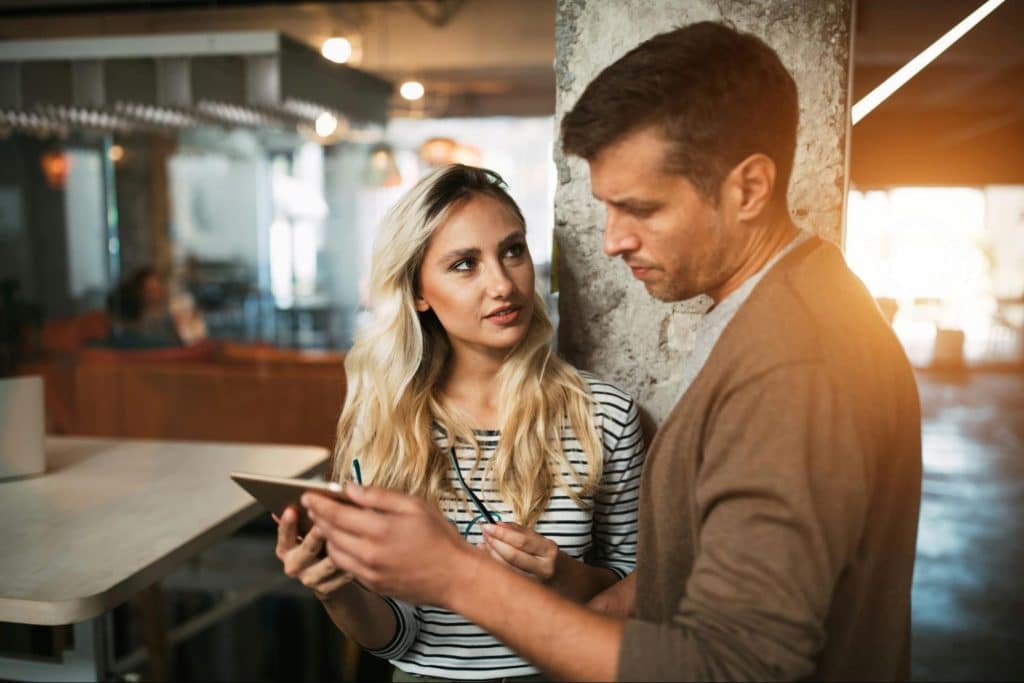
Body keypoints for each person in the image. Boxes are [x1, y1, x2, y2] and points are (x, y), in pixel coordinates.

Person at [303, 21, 922, 682]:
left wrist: (457, 576)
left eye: (641, 208)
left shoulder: (793, 364)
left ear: (748, 189)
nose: (611, 241)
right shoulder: (782, 316)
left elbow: (730, 667)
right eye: (607, 208)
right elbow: (679, 587)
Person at [274, 164, 646, 681]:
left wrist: (566, 577)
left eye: (512, 251)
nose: (502, 284)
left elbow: (641, 589)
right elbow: (397, 635)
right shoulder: (383, 424)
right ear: (418, 292)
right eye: (465, 264)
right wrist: (334, 589)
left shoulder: (604, 414)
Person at [106, 266, 206, 348]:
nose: (157, 294)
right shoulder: (139, 330)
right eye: (150, 290)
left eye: (158, 288)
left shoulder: (172, 317)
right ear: (141, 293)